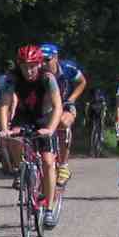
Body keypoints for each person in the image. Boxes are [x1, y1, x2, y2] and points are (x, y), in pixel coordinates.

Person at [0, 45, 63, 229]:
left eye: (33, 66)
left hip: (44, 119)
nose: (29, 70)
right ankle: (24, 172)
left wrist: (50, 129)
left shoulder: (47, 78)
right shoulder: (12, 78)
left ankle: (49, 209)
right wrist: (4, 130)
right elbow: (4, 104)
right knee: (14, 141)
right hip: (24, 117)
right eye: (25, 66)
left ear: (39, 64)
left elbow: (58, 106)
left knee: (48, 162)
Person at [41, 43, 86, 188]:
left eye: (46, 60)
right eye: (40, 60)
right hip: (46, 106)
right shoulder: (37, 71)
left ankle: (64, 165)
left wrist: (72, 99)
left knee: (64, 123)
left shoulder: (68, 69)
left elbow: (82, 82)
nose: (43, 63)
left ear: (55, 58)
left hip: (65, 104)